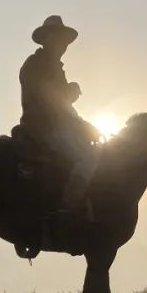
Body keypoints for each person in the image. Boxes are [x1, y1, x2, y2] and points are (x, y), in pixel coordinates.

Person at [17, 15, 100, 216]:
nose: (63, 45)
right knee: (88, 157)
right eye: (58, 39)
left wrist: (81, 123)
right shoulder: (34, 64)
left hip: (57, 127)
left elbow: (62, 105)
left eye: (65, 41)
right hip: (42, 128)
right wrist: (68, 95)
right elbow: (48, 99)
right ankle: (69, 208)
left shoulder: (56, 69)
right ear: (46, 39)